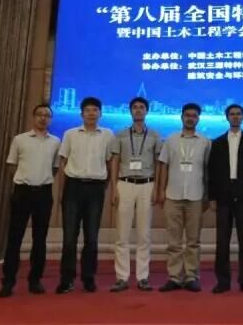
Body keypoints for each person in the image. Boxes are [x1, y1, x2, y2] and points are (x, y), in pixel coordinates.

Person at [0, 104, 60, 298]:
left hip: (44, 193)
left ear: (50, 120)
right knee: (14, 238)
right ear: (33, 117)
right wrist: (25, 179)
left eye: (47, 115)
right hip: (22, 192)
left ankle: (35, 280)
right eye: (40, 114)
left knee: (40, 239)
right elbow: (11, 165)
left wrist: (40, 180)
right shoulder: (20, 139)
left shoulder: (56, 142)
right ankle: (8, 282)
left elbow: (55, 168)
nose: (43, 118)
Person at [55, 97, 115, 294]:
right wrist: (61, 192)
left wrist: (105, 186)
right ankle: (67, 279)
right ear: (81, 114)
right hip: (73, 188)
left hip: (95, 189)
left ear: (100, 114)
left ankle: (88, 278)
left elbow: (109, 163)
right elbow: (63, 163)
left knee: (92, 237)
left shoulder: (107, 135)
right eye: (87, 110)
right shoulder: (70, 134)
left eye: (95, 110)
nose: (91, 113)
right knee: (69, 237)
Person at [109, 97, 162, 292]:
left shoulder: (155, 135)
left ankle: (143, 277)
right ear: (130, 111)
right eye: (135, 107)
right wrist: (114, 188)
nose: (138, 110)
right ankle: (122, 277)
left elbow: (158, 164)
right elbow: (115, 161)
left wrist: (157, 188)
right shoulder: (120, 135)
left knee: (144, 234)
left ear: (147, 111)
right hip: (125, 184)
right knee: (122, 234)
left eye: (141, 107)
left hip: (147, 185)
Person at [157, 103, 211, 293]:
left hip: (196, 196)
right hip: (172, 195)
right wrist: (161, 190)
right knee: (174, 241)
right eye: (187, 115)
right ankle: (174, 277)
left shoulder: (205, 142)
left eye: (194, 116)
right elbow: (163, 166)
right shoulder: (171, 140)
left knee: (193, 240)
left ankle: (191, 276)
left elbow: (207, 170)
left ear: (198, 119)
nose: (190, 118)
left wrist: (207, 195)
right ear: (181, 117)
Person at [208, 104, 243, 294]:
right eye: (232, 114)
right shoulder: (218, 142)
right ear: (227, 117)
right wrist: (212, 196)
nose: (236, 117)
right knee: (222, 241)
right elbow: (212, 171)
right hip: (223, 195)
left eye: (239, 114)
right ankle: (223, 281)